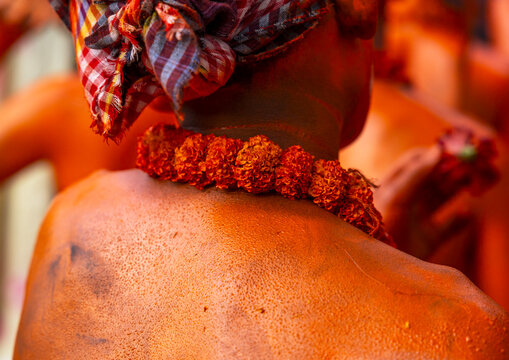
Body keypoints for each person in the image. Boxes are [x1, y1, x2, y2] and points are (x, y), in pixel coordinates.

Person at [15, 0, 509, 358]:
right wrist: (399, 279)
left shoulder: (68, 226)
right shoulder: (454, 329)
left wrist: (384, 251)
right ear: (359, 9)